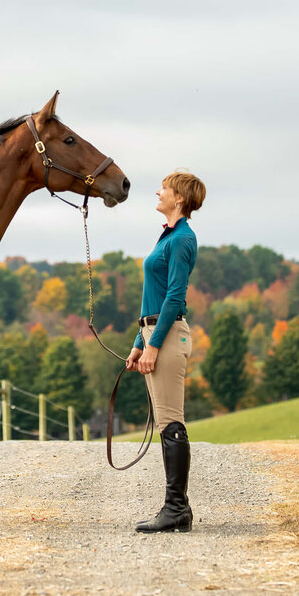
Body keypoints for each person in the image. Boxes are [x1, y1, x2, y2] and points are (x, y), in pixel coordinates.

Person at [126, 170, 205, 533]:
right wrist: (139, 344)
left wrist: (154, 345)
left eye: (165, 188)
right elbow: (154, 297)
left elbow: (175, 296)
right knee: (165, 421)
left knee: (172, 420)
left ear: (180, 199)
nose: (158, 192)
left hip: (169, 335)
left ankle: (176, 508)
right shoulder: (168, 237)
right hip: (156, 331)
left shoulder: (183, 239)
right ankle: (177, 507)